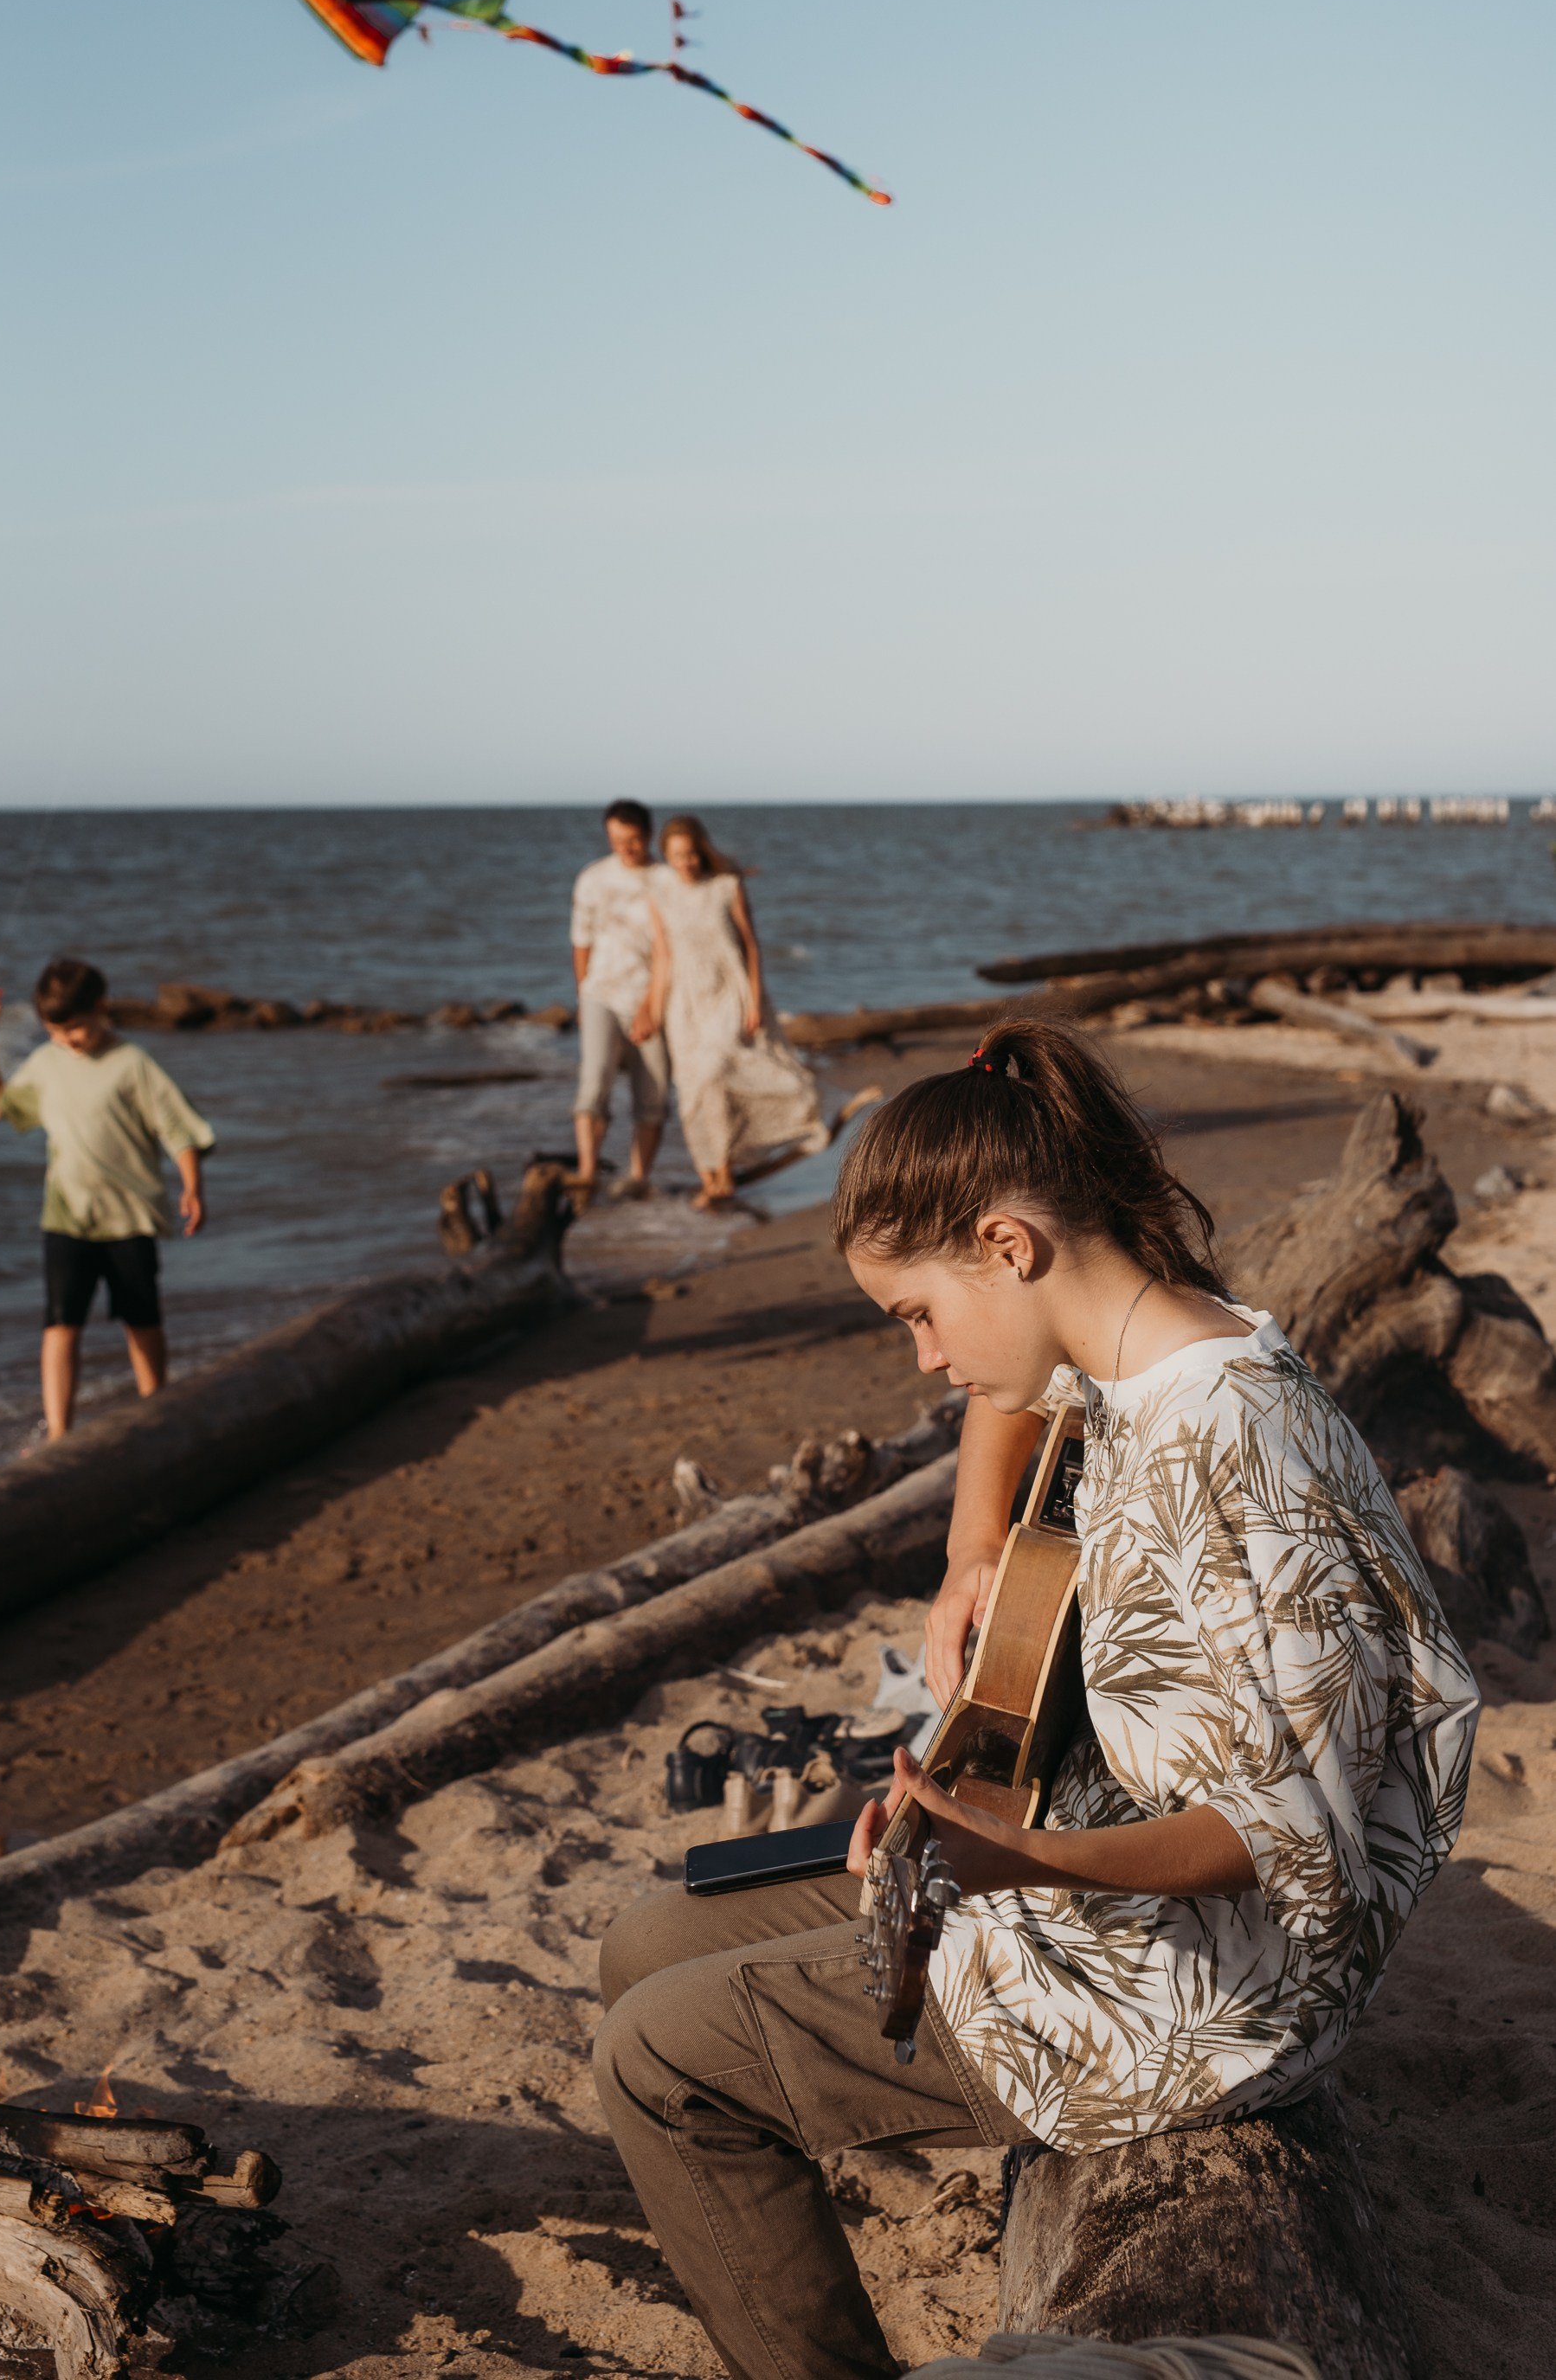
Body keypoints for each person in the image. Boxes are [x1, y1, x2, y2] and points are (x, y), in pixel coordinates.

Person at [594, 1019, 1477, 2380]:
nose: (922, 1358)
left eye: (916, 1316)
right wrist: (970, 1555)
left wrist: (1015, 1858)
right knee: (647, 1940)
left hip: (1204, 1984)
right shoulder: (1140, 1331)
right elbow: (1015, 1383)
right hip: (1087, 1860)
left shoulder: (1229, 1453)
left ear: (1008, 1244)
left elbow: (1286, 1836)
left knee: (658, 2058)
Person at [0, 958, 216, 1440]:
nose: (68, 1040)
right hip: (67, 1217)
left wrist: (193, 1187)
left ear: (101, 1007)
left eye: (75, 1028)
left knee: (142, 1322)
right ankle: (59, 1432)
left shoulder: (134, 1065)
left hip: (131, 1217)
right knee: (61, 1324)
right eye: (55, 1032)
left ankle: (155, 1411)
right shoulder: (46, 1064)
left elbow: (179, 1130)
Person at [644, 813, 826, 1209]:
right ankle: (709, 1176)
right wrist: (652, 1012)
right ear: (666, 856)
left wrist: (755, 998)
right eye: (677, 856)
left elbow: (751, 945)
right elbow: (662, 956)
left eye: (691, 854)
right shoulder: (660, 895)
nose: (686, 862)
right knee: (692, 1090)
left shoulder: (727, 886)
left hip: (729, 993)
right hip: (684, 1004)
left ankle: (725, 1165)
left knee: (714, 1071)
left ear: (702, 851)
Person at [569, 799, 670, 1195]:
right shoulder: (592, 878)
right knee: (594, 1081)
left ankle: (638, 1180)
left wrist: (650, 1007)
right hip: (601, 994)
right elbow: (581, 942)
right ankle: (588, 1173)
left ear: (648, 835)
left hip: (654, 997)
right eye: (616, 840)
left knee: (654, 1091)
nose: (624, 848)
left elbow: (672, 952)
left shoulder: (665, 879)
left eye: (632, 840)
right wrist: (582, 996)